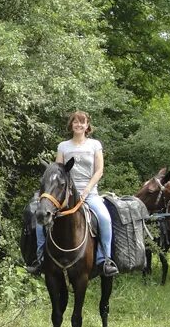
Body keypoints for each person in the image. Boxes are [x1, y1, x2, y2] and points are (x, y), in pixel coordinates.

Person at [29, 111, 118, 276]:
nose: (79, 125)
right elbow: (57, 171)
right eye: (76, 122)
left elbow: (99, 171)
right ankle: (40, 258)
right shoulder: (63, 146)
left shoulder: (94, 145)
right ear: (71, 125)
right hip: (65, 194)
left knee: (105, 218)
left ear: (87, 125)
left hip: (89, 192)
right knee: (40, 218)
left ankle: (104, 260)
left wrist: (87, 190)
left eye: (82, 122)